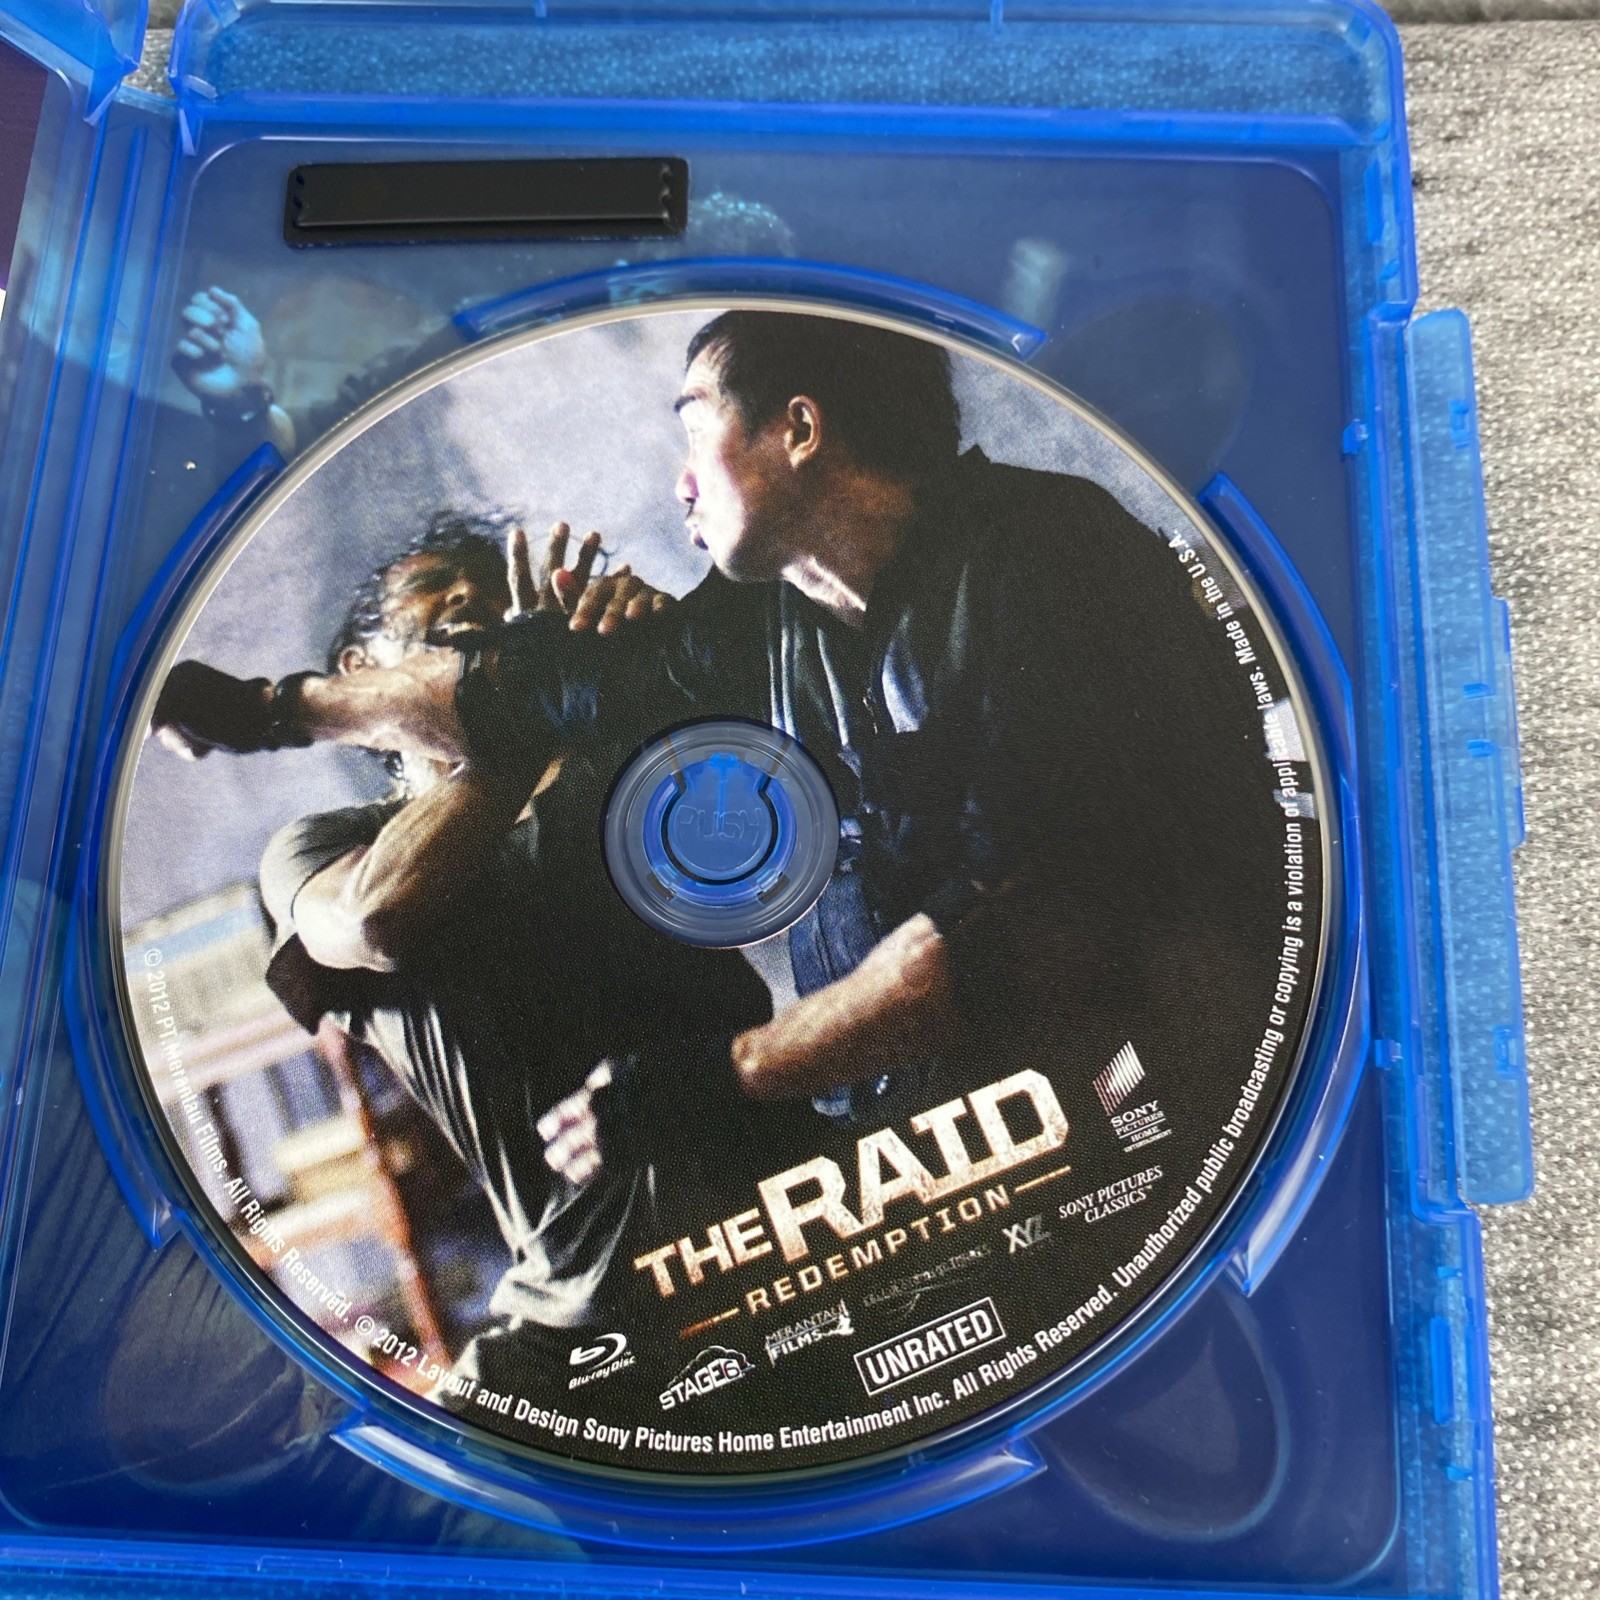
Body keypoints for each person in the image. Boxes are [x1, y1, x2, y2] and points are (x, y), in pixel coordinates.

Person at [154, 310, 1279, 1191]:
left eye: (692, 427)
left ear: (799, 428)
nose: (677, 481)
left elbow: (1007, 931)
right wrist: (267, 707)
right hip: (917, 1133)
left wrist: (723, 1078)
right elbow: (521, 698)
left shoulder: (1046, 556)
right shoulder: (777, 618)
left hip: (1157, 1098)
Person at [159, 515, 776, 1404]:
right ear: (360, 675)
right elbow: (376, 918)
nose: (468, 596)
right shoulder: (320, 848)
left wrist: (648, 652)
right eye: (433, 586)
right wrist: (530, 705)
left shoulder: (616, 765)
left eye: (490, 591)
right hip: (587, 1302)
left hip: (787, 1197)